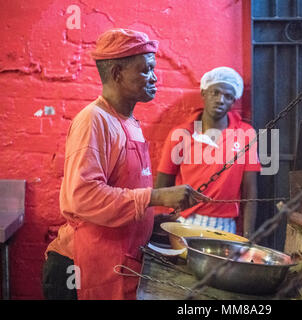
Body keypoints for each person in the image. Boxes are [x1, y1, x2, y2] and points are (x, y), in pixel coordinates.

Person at [42, 28, 209, 300]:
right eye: (146, 70)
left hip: (117, 263)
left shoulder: (128, 123)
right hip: (81, 268)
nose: (155, 78)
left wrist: (151, 220)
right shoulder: (94, 121)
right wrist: (157, 196)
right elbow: (83, 197)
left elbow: (120, 193)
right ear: (117, 73)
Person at [156, 67, 261, 238]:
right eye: (215, 92)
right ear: (203, 94)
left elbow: (250, 190)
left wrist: (249, 236)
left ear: (234, 101)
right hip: (185, 221)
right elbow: (161, 186)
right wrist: (174, 214)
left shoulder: (245, 134)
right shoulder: (181, 134)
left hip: (223, 225)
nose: (220, 100)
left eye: (228, 96)